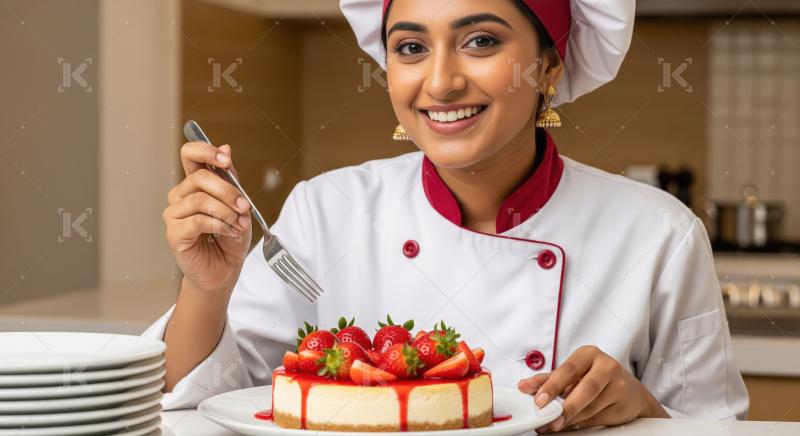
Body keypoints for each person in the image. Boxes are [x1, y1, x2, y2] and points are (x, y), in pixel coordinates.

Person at [144, 0, 748, 431]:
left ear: (549, 67)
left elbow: (717, 429)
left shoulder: (660, 233)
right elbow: (203, 409)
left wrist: (644, 410)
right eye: (410, 47)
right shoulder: (325, 210)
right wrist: (206, 288)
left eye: (480, 40)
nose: (440, 81)